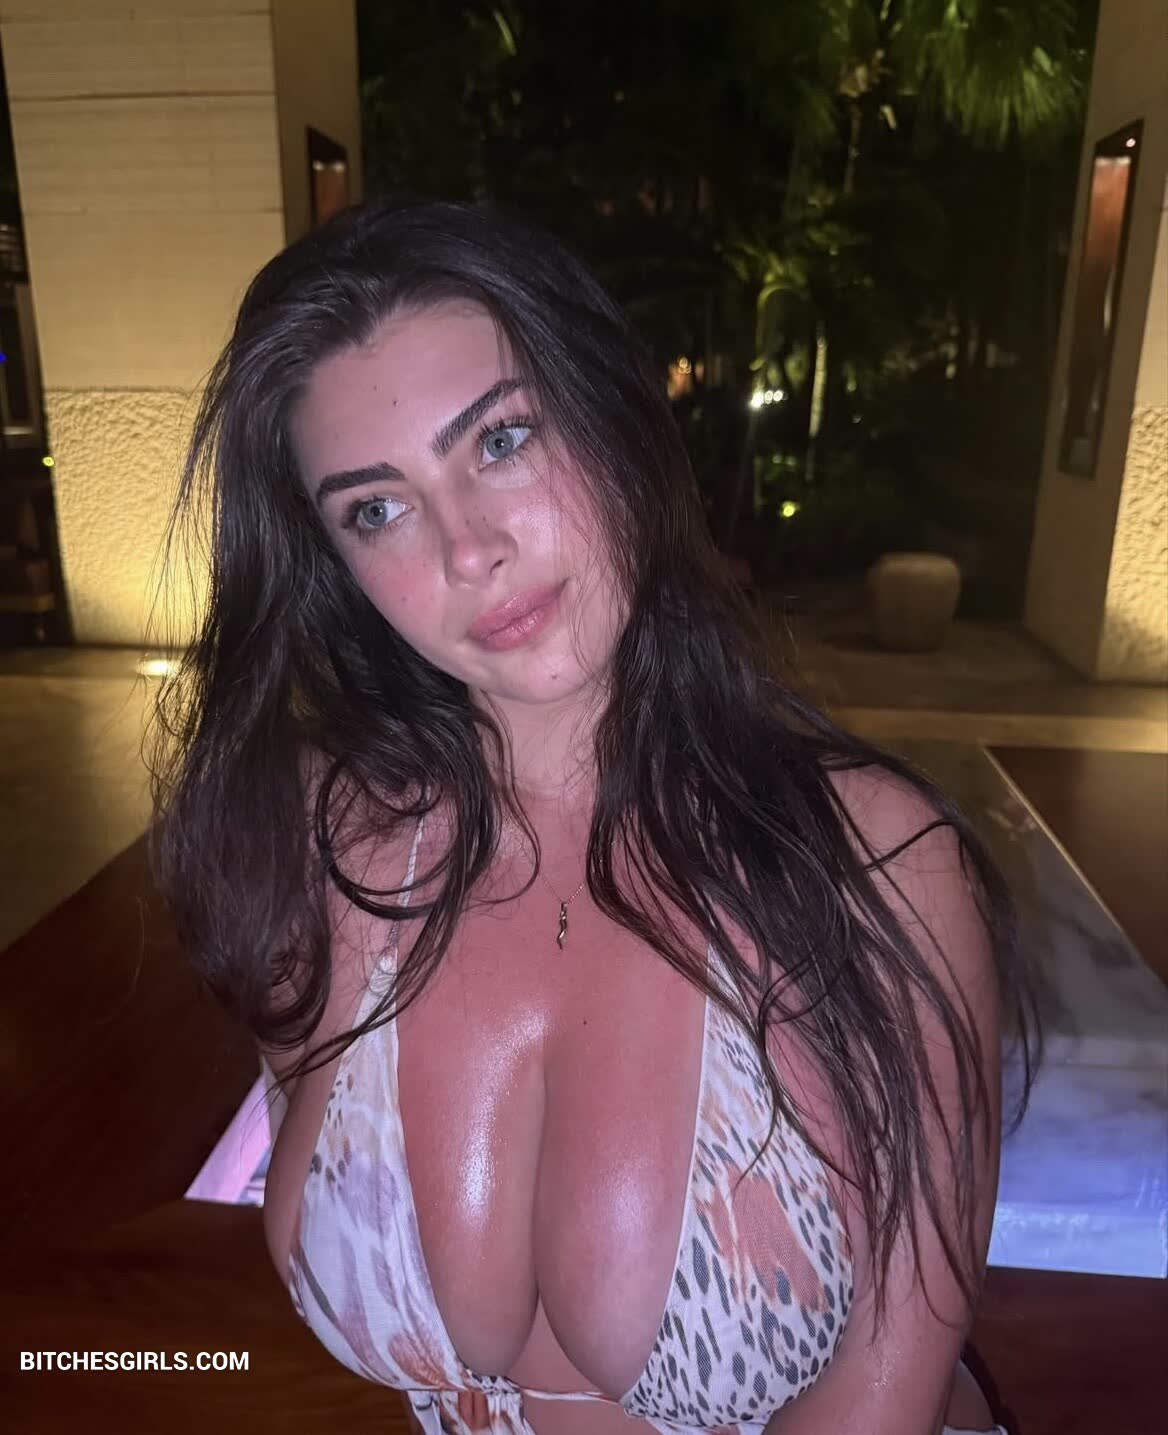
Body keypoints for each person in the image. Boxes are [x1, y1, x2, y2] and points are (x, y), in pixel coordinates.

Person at [147, 198, 1039, 1435]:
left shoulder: (872, 862)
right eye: (376, 508)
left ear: (610, 417)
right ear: (333, 564)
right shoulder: (322, 846)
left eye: (501, 440)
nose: (469, 550)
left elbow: (878, 1403)